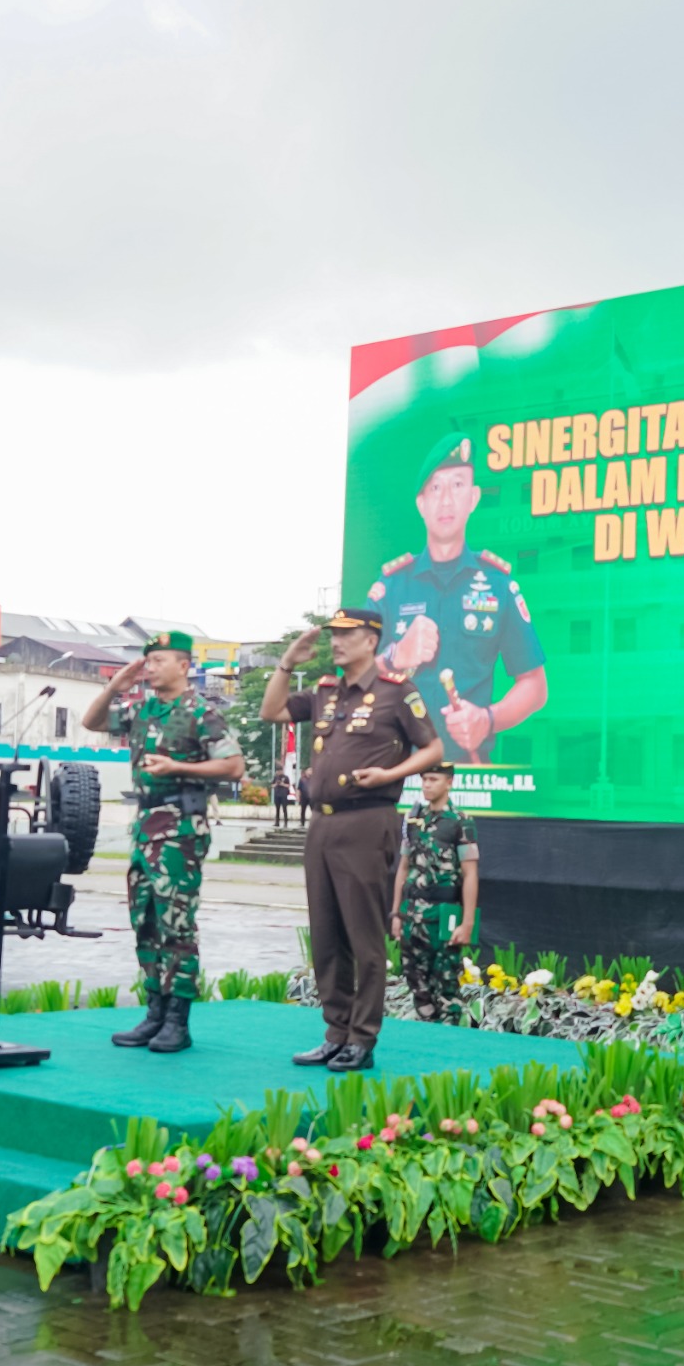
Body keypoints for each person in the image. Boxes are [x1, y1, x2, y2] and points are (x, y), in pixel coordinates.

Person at [261, 607, 442, 1071]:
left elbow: (435, 748)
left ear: (371, 641)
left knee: (364, 937)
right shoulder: (324, 692)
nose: (336, 642)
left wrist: (390, 773)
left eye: (347, 635)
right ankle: (335, 1032)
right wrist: (287, 664)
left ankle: (363, 1037)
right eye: (334, 635)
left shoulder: (395, 692)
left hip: (367, 820)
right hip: (321, 824)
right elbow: (271, 711)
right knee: (325, 936)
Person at [81, 629, 245, 1054]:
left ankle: (178, 1019)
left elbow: (233, 766)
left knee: (176, 923)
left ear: (183, 665)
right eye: (147, 661)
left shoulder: (199, 712)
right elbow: (92, 722)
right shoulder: (144, 709)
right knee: (145, 919)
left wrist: (175, 766)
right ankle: (154, 1011)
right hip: (146, 823)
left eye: (158, 661)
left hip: (181, 827)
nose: (149, 667)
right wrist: (116, 685)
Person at [373, 434, 549, 765]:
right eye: (435, 489)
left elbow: (535, 686)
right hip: (396, 775)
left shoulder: (498, 584)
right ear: (421, 504)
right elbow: (349, 681)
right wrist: (395, 655)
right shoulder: (391, 586)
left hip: (471, 777)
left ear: (473, 497)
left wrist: (488, 719)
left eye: (457, 486)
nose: (446, 501)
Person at [389, 762, 479, 1023]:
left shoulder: (460, 822)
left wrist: (467, 922)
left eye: (433, 779)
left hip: (443, 917)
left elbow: (470, 874)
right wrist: (396, 913)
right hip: (412, 915)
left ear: (448, 783)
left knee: (446, 987)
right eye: (424, 779)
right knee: (416, 982)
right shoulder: (414, 819)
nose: (427, 784)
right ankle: (427, 1037)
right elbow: (403, 868)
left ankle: (449, 1043)